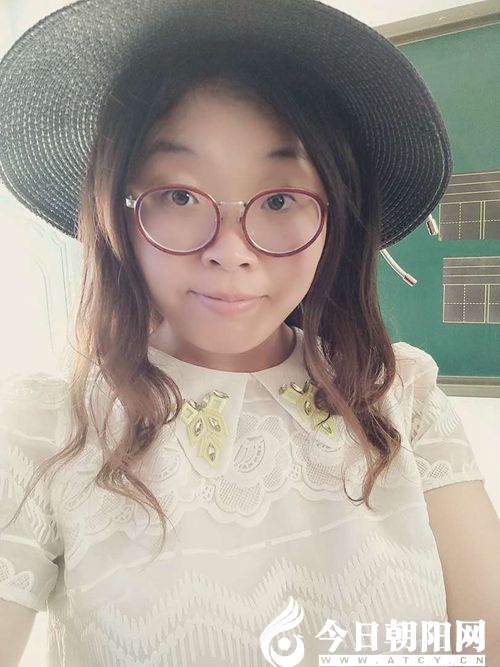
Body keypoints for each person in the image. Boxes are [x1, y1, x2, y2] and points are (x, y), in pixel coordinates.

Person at [0, 1, 498, 666]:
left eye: (279, 199)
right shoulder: (45, 428)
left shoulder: (401, 395)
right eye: (180, 195)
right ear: (116, 208)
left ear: (334, 219)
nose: (231, 252)